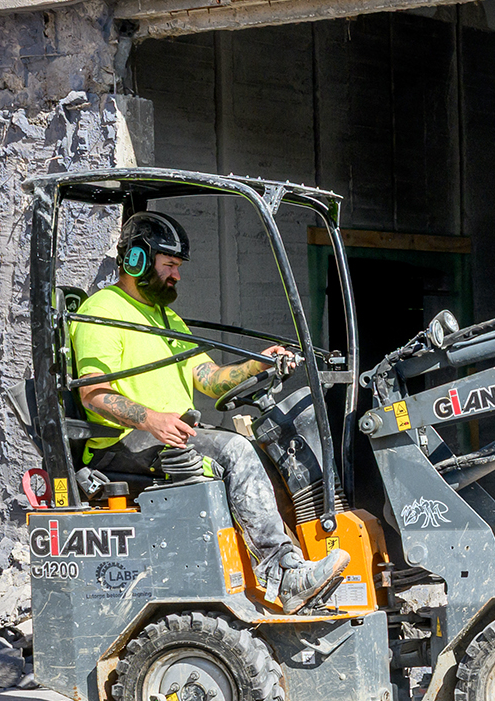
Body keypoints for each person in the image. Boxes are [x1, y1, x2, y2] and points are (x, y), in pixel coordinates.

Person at [69, 211, 347, 612]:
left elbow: (208, 378)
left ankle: (291, 569)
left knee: (265, 451)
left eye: (177, 267)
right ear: (136, 261)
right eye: (169, 265)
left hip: (168, 437)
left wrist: (258, 364)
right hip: (123, 445)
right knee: (234, 451)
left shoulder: (167, 319)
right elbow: (93, 393)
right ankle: (286, 578)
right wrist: (153, 419)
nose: (176, 276)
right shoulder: (103, 312)